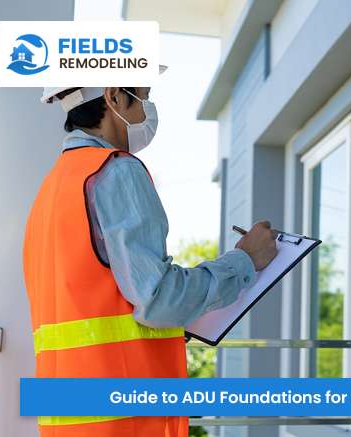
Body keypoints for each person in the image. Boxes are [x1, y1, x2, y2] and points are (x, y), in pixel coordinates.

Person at [22, 82, 278, 437]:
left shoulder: (52, 188)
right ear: (113, 97)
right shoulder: (115, 171)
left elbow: (97, 304)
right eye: (143, 96)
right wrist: (246, 259)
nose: (148, 107)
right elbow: (159, 299)